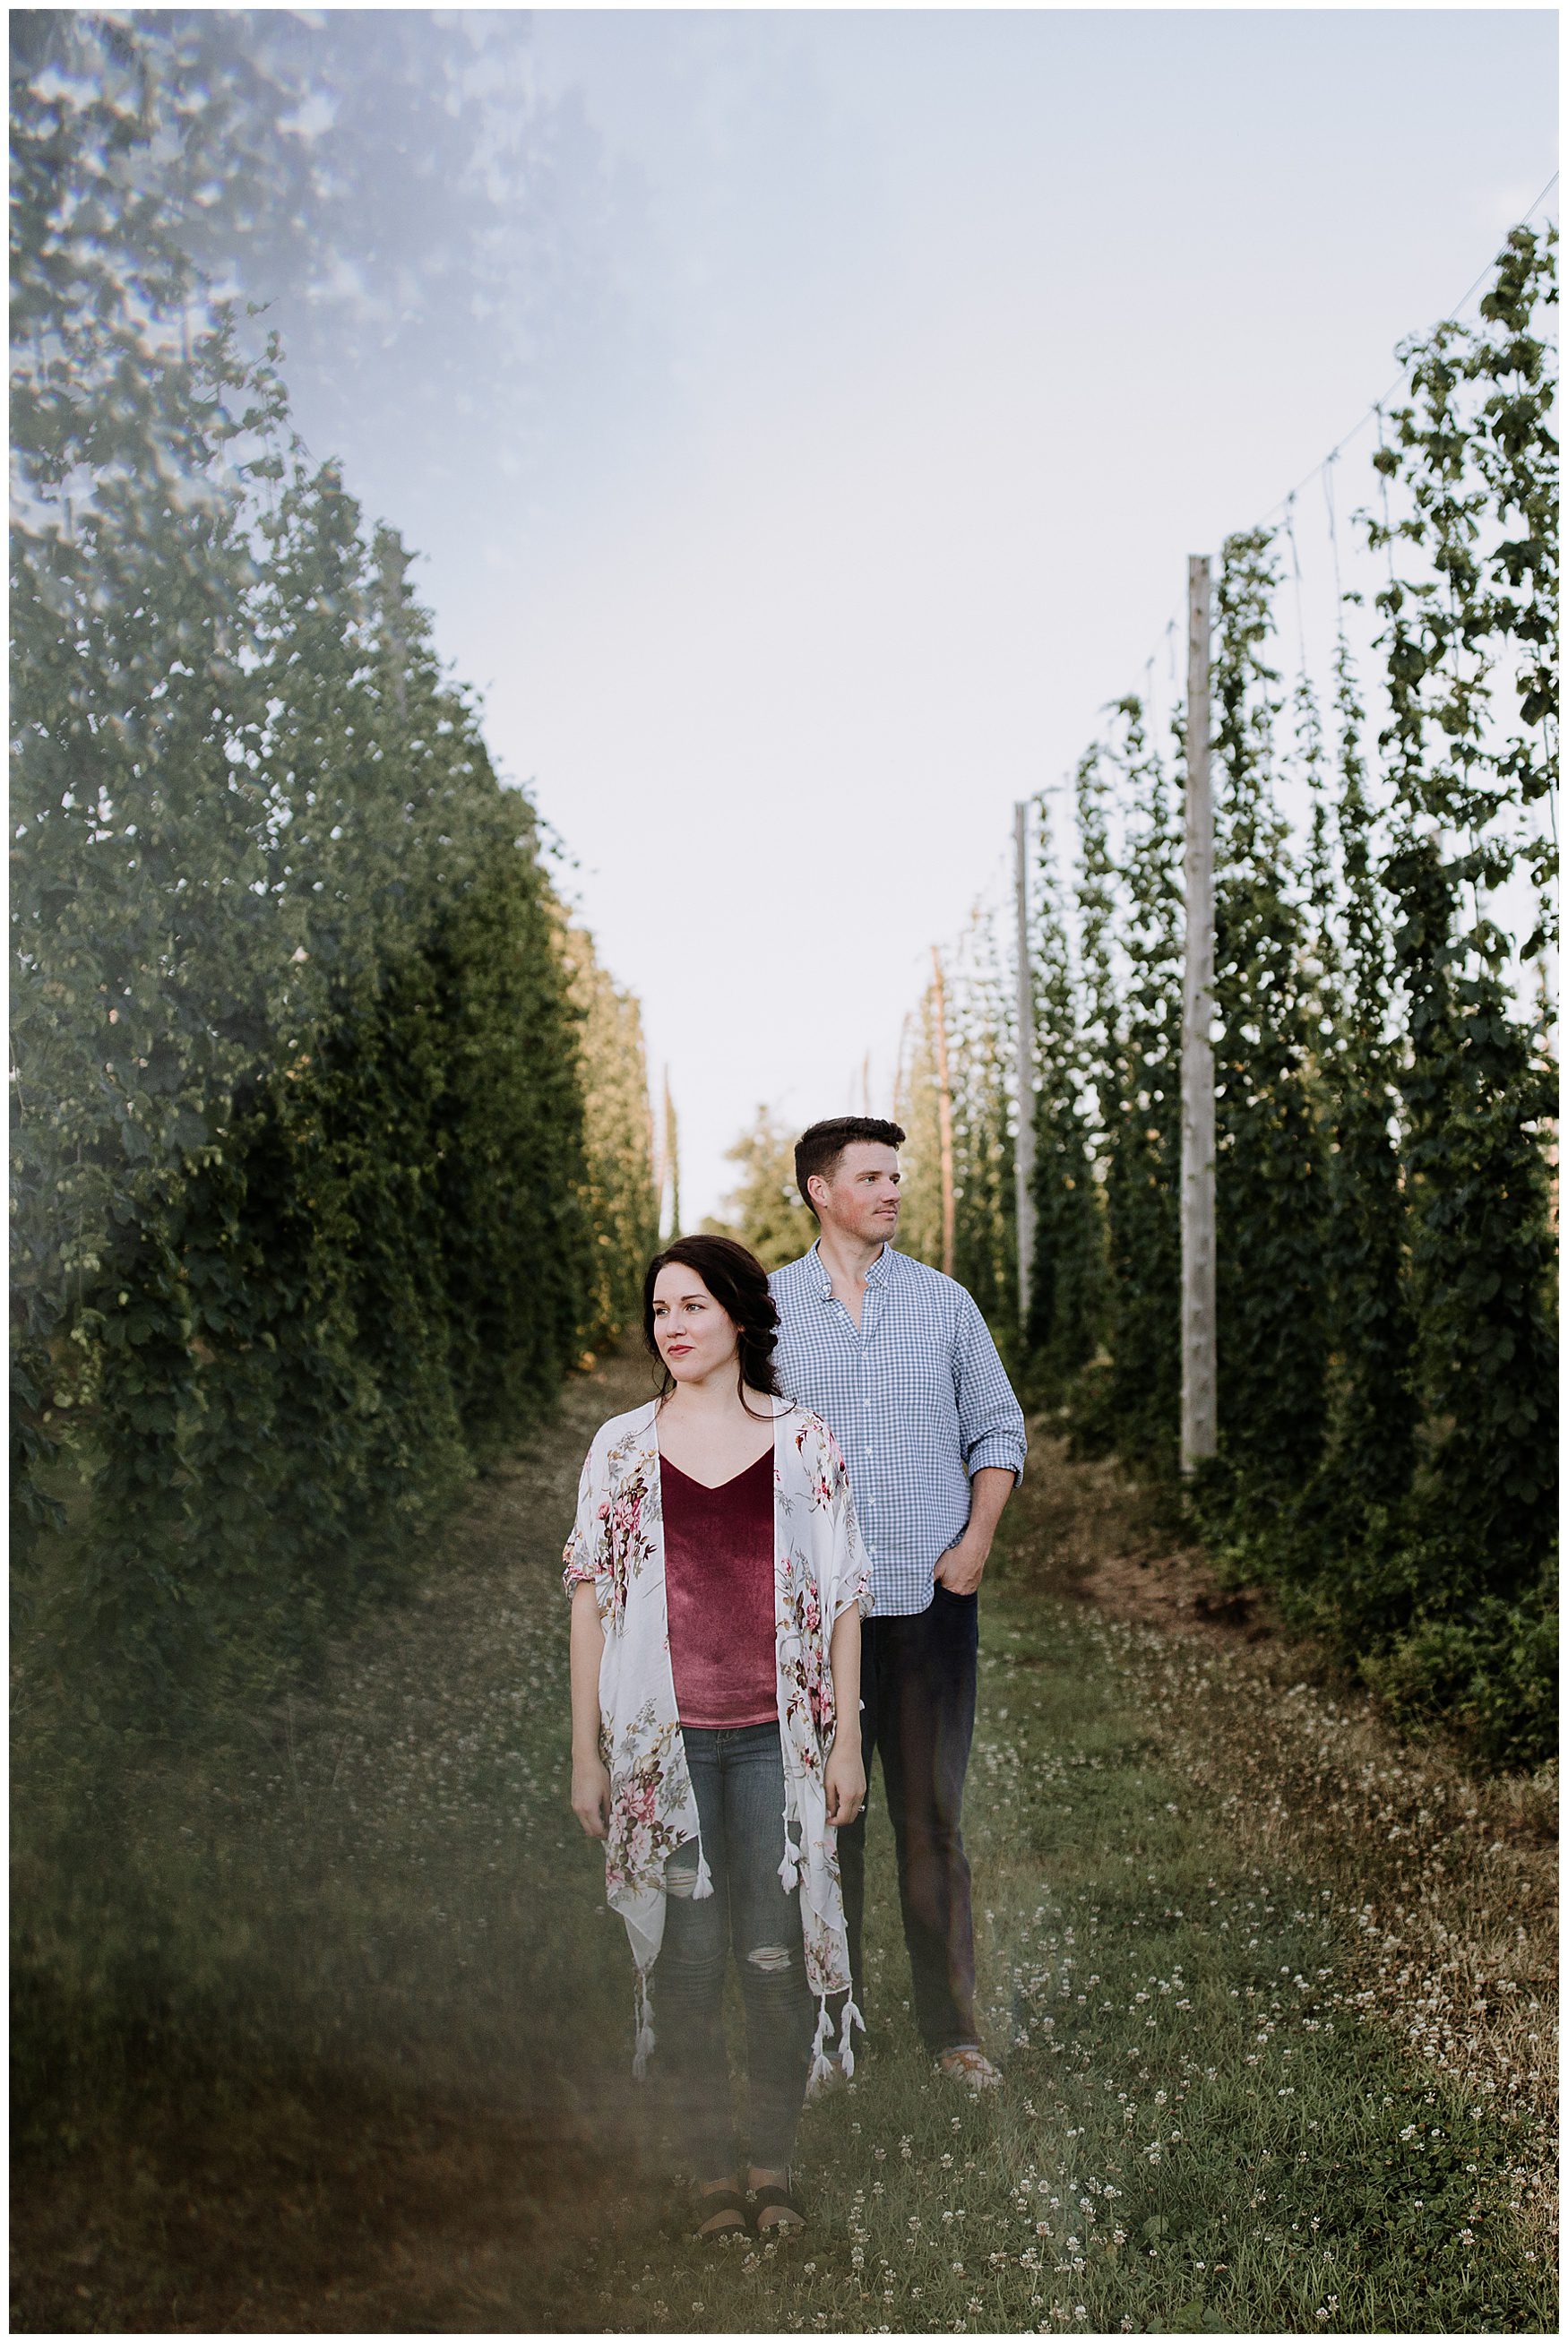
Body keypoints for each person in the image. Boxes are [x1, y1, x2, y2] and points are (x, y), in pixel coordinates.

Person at [564, 1234, 870, 2239]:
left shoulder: (803, 1441)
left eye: (693, 1305)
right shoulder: (621, 1447)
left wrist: (844, 1740)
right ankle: (709, 2178)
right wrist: (587, 1752)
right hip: (667, 1752)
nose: (674, 1326)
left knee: (771, 1959)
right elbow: (590, 1601)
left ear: (740, 1314)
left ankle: (771, 2166)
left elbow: (844, 1597)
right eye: (661, 1309)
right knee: (689, 1969)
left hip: (775, 1744)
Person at [769, 1116, 1027, 2093]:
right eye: (872, 1176)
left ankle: (952, 2032)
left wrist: (975, 1542)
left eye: (896, 1176)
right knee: (825, 1824)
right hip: (813, 1619)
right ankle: (830, 2027)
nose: (891, 1190)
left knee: (930, 1819)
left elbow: (997, 1427)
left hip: (927, 1602)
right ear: (819, 1189)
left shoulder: (943, 1303)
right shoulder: (769, 1311)